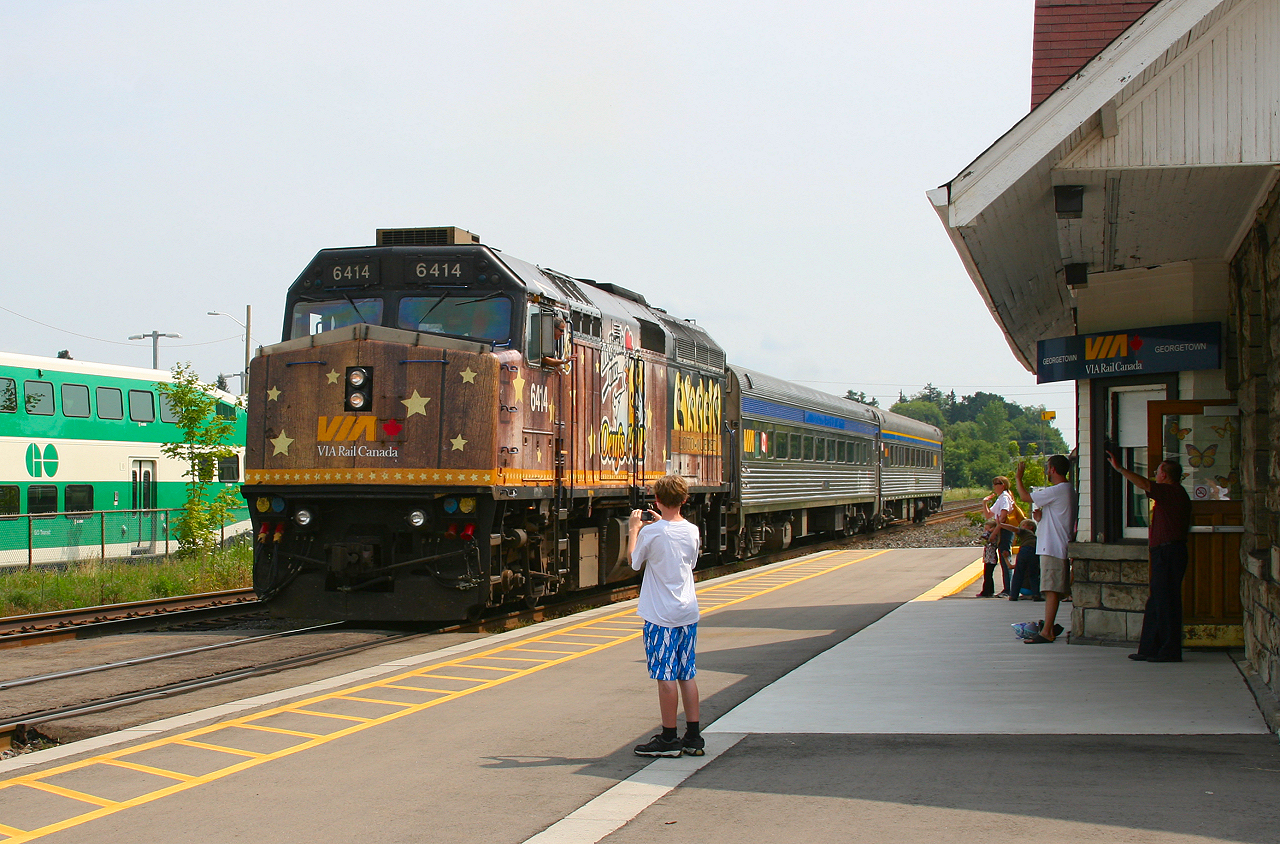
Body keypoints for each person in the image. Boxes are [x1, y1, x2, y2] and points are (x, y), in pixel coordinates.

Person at [627, 474, 703, 757]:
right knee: (687, 673)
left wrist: (634, 529)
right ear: (684, 499)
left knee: (665, 676)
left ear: (656, 501)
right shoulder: (692, 531)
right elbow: (689, 562)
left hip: (660, 616)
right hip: (687, 611)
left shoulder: (650, 532)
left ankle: (669, 738)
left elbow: (635, 562)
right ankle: (693, 737)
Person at [1106, 452, 1192, 662]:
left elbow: (1145, 484)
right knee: (1157, 600)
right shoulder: (1170, 493)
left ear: (1165, 475)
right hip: (1163, 551)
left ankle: (1169, 650)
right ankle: (1150, 647)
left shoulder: (1173, 492)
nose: (1156, 475)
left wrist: (1120, 469)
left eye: (1158, 472)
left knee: (1166, 601)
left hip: (1169, 552)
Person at [1016, 454, 1074, 643]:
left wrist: (1018, 478)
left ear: (1053, 470)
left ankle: (1047, 631)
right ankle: (1049, 626)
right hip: (1056, 546)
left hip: (1053, 547)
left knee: (1050, 590)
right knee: (1053, 590)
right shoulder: (1068, 490)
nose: (1046, 471)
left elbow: (1025, 497)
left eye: (1047, 467)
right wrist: (1042, 517)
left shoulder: (1058, 490)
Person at [980, 476, 1015, 596]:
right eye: (994, 483)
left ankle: (1008, 589)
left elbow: (1003, 518)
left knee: (1005, 558)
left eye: (997, 483)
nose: (994, 486)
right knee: (1003, 558)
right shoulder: (1001, 498)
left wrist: (994, 533)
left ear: (1003, 485)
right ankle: (1007, 588)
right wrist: (985, 502)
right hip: (1002, 530)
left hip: (1005, 531)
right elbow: (989, 514)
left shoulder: (1005, 497)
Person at [1007, 519, 1041, 601]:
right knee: (1033, 574)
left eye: (1023, 525)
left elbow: (1014, 529)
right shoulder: (1036, 537)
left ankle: (1013, 595)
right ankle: (1036, 594)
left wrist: (1000, 524)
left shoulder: (1026, 532)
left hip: (1025, 550)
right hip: (1034, 552)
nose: (1021, 527)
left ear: (1030, 527)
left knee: (1018, 573)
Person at [976, 518, 1000, 597]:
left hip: (991, 558)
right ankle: (990, 591)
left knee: (987, 575)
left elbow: (983, 536)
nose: (985, 530)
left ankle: (986, 591)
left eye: (987, 528)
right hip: (988, 558)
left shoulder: (992, 536)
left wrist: (990, 531)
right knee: (988, 575)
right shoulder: (992, 535)